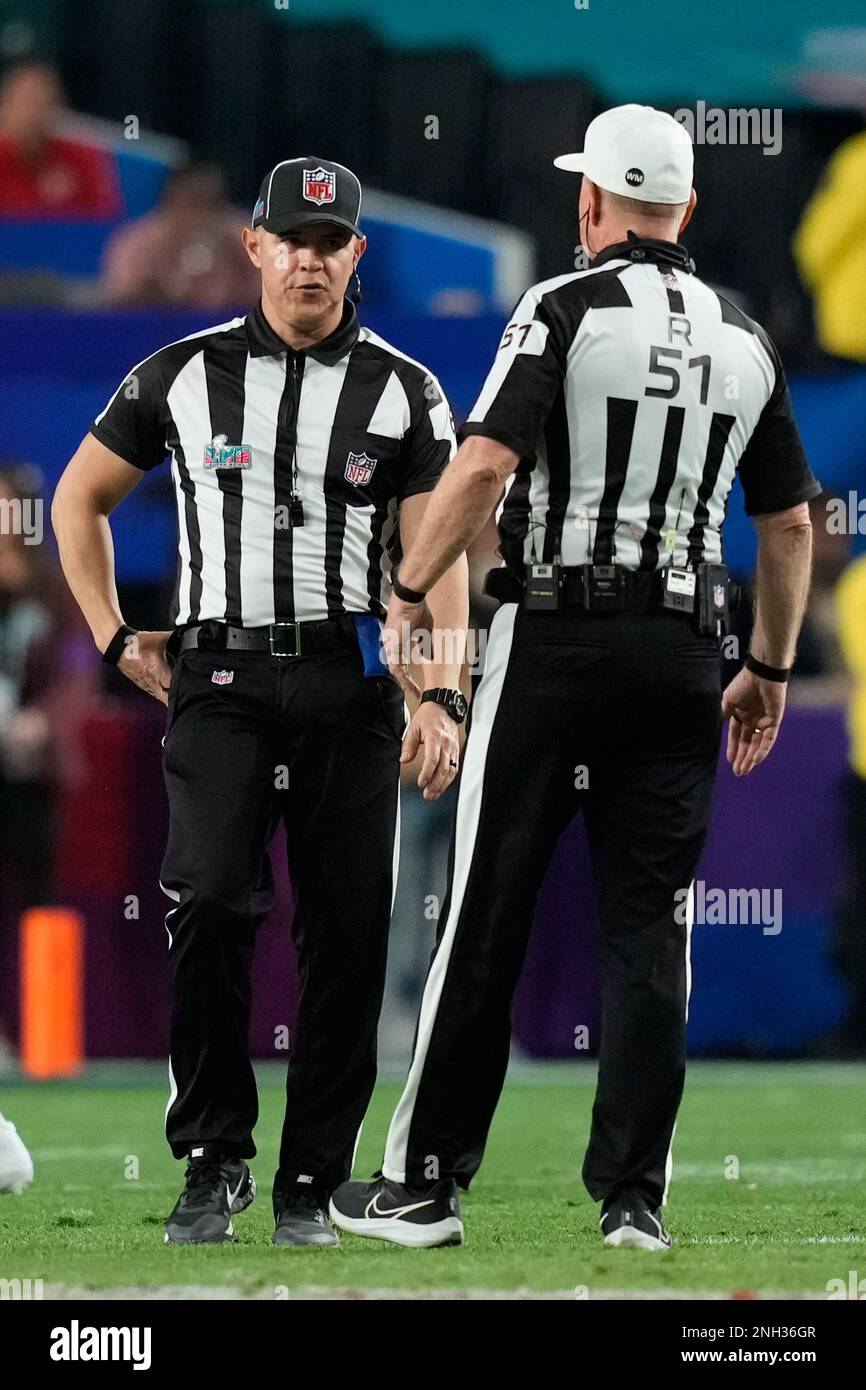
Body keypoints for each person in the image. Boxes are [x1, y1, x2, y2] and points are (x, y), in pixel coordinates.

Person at [329, 105, 820, 1250]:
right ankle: (632, 1201)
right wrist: (766, 665)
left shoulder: (559, 308)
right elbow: (789, 524)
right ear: (684, 209)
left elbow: (486, 461)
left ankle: (423, 1183)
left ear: (588, 204)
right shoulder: (745, 335)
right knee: (650, 929)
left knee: (484, 913)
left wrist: (407, 585)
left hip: (555, 636)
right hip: (683, 649)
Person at [51, 156, 468, 1246]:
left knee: (345, 936)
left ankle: (310, 1182)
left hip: (348, 679)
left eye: (331, 244)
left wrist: (443, 692)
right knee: (206, 901)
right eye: (292, 240)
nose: (310, 261)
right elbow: (76, 498)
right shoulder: (180, 375)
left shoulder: (405, 388)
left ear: (355, 256)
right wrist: (108, 635)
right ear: (255, 247)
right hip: (220, 677)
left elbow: (440, 558)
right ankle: (213, 1159)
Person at [101, 163, 259, 310]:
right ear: (170, 201)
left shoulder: (243, 238)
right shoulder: (137, 242)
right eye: (190, 203)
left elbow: (271, 294)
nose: (197, 216)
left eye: (209, 204)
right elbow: (121, 298)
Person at [0, 60, 121, 219]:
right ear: (6, 106)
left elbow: (106, 217)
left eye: (41, 103)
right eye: (24, 103)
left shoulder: (83, 155)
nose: (32, 114)